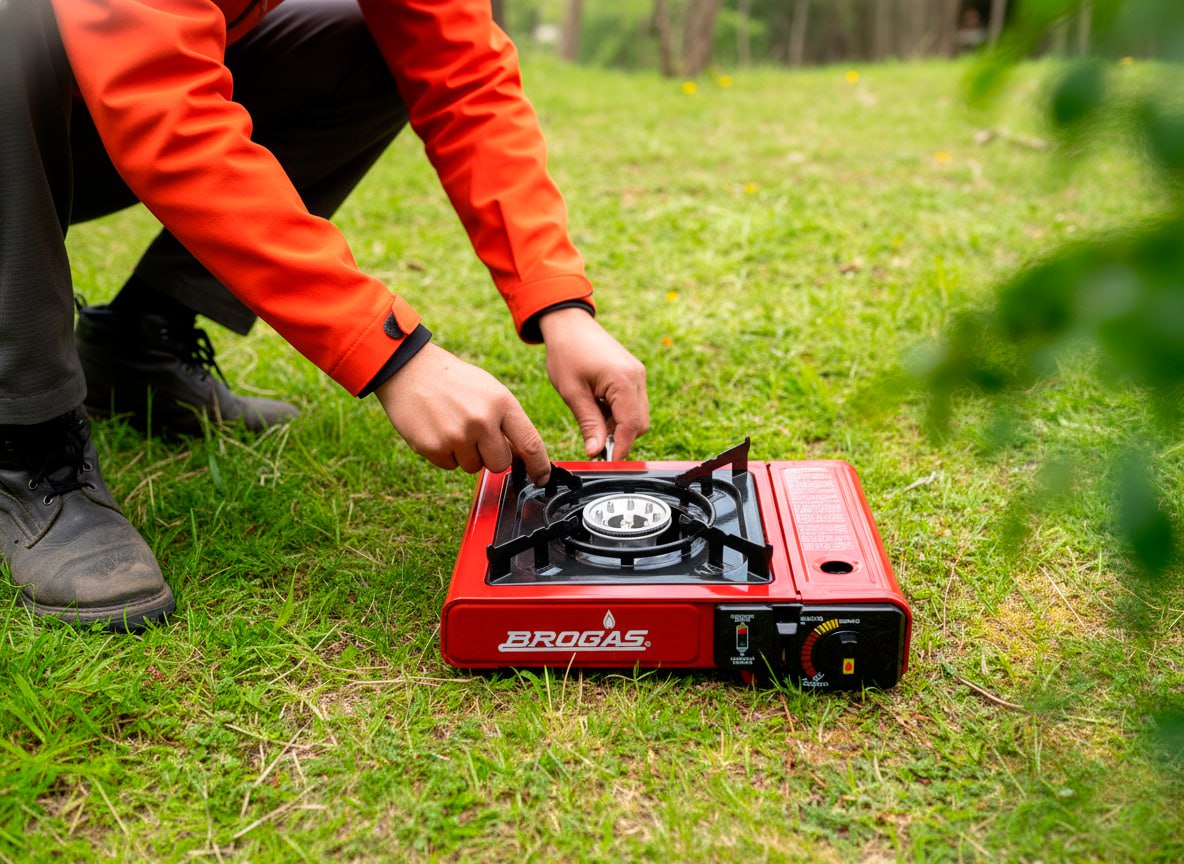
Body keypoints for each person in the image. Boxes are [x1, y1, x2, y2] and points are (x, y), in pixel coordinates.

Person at [1, 0, 650, 632]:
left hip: (99, 102)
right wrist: (395, 355)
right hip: (36, 102)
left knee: (361, 44)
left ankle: (139, 346)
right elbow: (166, 115)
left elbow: (465, 77)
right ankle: (28, 440)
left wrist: (558, 304)